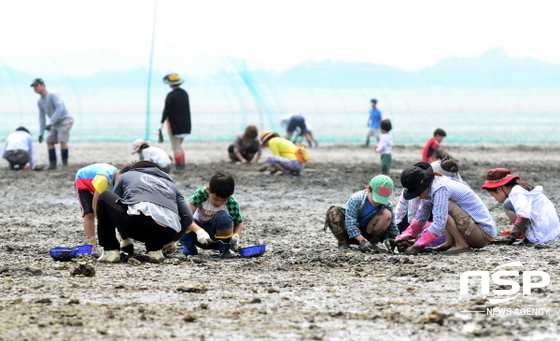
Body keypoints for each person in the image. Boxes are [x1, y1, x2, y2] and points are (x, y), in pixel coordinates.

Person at [96, 161, 193, 263]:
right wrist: (171, 240)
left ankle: (110, 250)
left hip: (138, 224)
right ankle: (155, 250)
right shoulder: (171, 184)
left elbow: (118, 206)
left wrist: (125, 239)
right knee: (155, 219)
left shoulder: (126, 175)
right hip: (168, 232)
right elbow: (188, 217)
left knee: (104, 196)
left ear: (136, 169)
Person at [401, 162, 497, 255]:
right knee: (440, 206)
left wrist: (419, 245)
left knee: (443, 206)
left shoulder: (440, 188)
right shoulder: (432, 186)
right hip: (473, 229)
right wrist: (404, 236)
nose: (419, 197)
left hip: (482, 234)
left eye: (418, 194)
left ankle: (461, 244)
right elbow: (420, 217)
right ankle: (450, 242)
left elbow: (439, 224)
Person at [391, 158, 461, 252]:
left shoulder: (443, 184)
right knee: (439, 227)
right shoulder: (418, 188)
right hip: (406, 222)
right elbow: (413, 218)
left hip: (429, 220)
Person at [481, 168, 560, 245]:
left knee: (507, 205)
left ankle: (527, 236)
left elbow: (524, 216)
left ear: (499, 189)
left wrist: (513, 236)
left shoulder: (516, 192)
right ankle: (525, 234)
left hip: (541, 236)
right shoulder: (521, 189)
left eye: (493, 195)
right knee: (509, 204)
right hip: (553, 231)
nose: (495, 199)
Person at [324, 175, 399, 251]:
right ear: (368, 189)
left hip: (367, 232)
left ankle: (372, 243)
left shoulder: (387, 205)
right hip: (348, 232)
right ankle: (343, 242)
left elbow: (392, 226)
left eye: (382, 199)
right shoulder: (356, 199)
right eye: (376, 197)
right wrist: (362, 240)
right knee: (333, 212)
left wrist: (398, 240)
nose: (378, 202)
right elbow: (350, 223)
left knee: (387, 214)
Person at [179, 171, 244, 257]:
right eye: (215, 199)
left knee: (223, 216)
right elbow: (186, 216)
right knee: (181, 216)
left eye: (224, 200)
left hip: (218, 239)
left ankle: (225, 249)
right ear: (208, 190)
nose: (219, 203)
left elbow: (239, 223)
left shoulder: (232, 203)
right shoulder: (201, 195)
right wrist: (199, 231)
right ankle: (189, 248)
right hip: (197, 235)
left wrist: (236, 235)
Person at [75, 163, 122, 249]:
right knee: (89, 213)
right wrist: (102, 222)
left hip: (99, 185)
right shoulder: (103, 179)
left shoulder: (120, 180)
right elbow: (95, 203)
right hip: (83, 182)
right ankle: (91, 242)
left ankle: (121, 237)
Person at [31, 78, 74, 170]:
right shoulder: (40, 101)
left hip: (65, 120)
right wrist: (41, 132)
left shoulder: (52, 94)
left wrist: (51, 122)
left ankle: (64, 164)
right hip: (55, 123)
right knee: (49, 141)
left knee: (62, 139)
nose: (35, 88)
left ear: (42, 85)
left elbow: (59, 108)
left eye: (36, 86)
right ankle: (52, 164)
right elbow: (41, 117)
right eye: (33, 87)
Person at [160, 73, 191, 171]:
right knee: (179, 146)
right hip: (185, 126)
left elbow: (166, 110)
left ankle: (179, 166)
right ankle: (182, 164)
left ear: (170, 84)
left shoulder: (170, 95)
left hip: (174, 126)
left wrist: (161, 122)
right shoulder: (185, 93)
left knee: (176, 147)